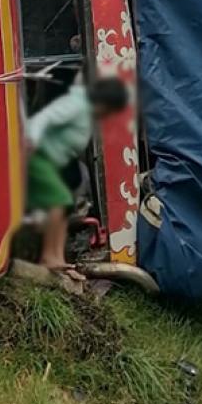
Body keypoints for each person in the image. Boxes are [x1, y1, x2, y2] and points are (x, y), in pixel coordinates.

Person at [26, 76, 130, 271]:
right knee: (59, 201)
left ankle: (57, 256)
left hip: (54, 161)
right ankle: (49, 256)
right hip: (39, 156)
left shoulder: (88, 113)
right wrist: (31, 140)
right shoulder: (76, 105)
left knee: (65, 205)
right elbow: (44, 117)